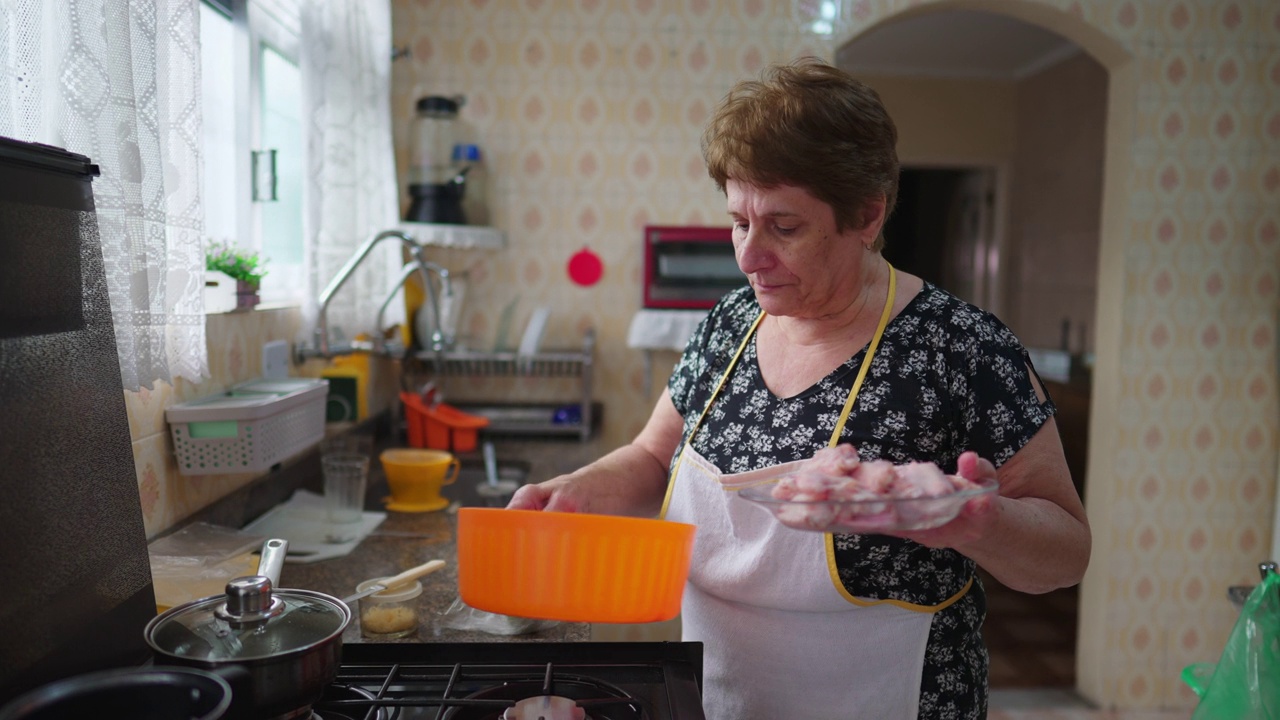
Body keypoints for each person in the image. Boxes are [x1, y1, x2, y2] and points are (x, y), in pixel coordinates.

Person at [508, 57, 1090, 720]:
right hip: (726, 700)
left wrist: (970, 519)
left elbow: (1066, 552)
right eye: (738, 222)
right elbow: (650, 457)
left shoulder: (962, 349)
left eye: (784, 228)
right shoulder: (729, 323)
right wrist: (569, 495)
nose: (750, 255)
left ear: (866, 216)